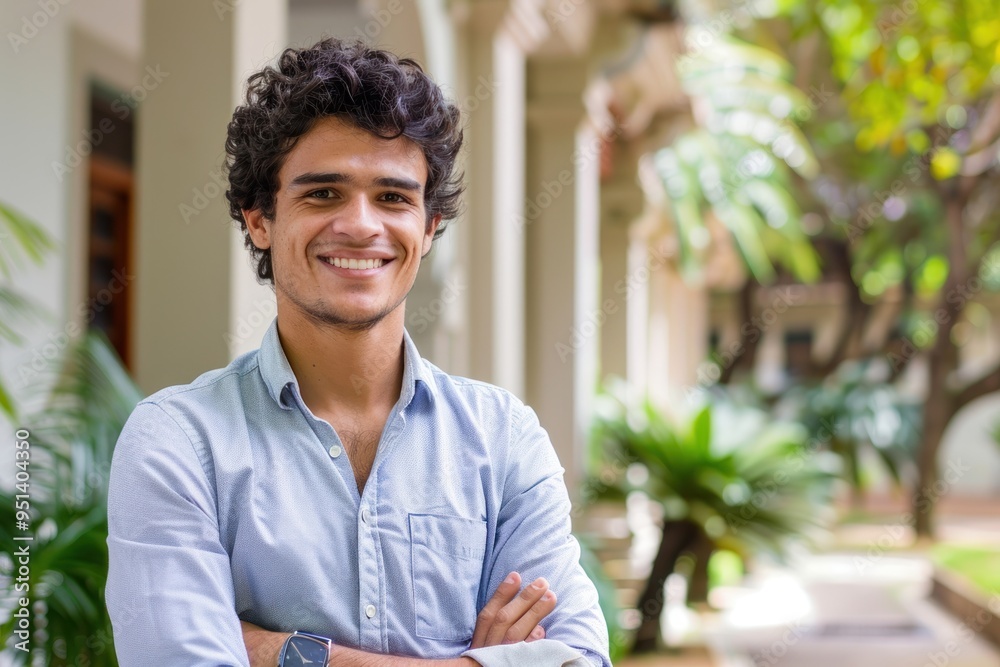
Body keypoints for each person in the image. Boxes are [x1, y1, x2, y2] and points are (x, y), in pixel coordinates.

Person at [105, 38, 611, 667]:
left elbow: (578, 659)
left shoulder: (504, 440)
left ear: (428, 228)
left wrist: (282, 651)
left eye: (394, 197)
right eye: (322, 193)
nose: (362, 225)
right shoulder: (179, 441)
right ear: (260, 219)